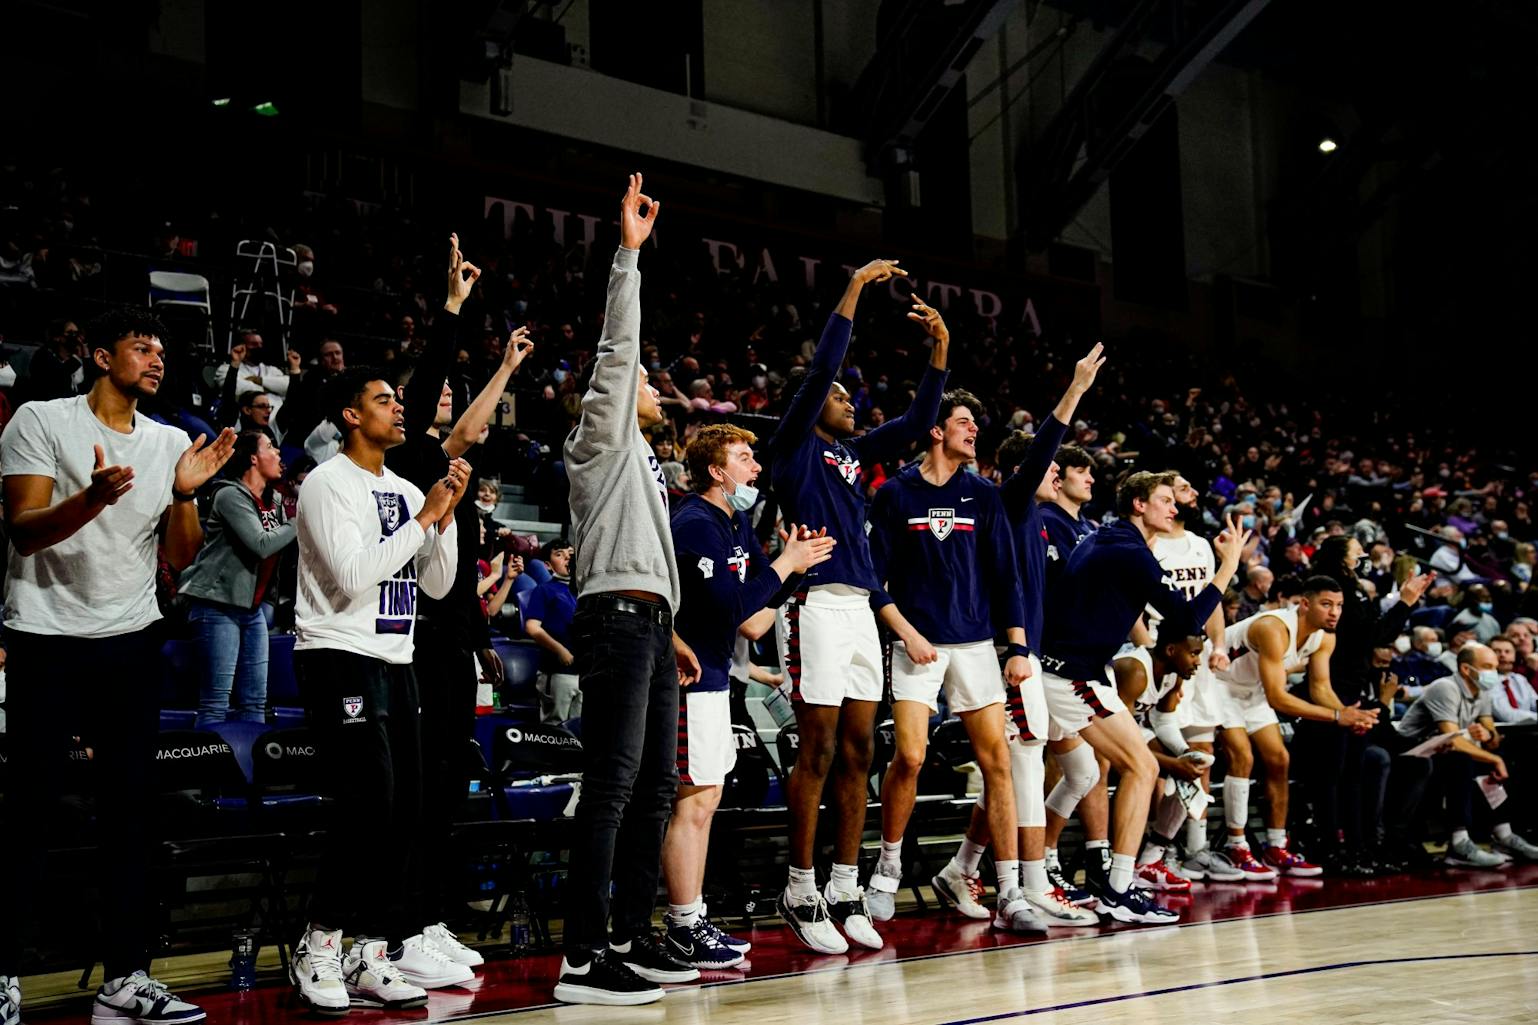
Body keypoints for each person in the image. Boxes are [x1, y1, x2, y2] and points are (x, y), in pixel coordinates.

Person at [1, 306, 235, 1025]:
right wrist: (93, 498)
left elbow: (179, 557)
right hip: (44, 635)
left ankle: (127, 975)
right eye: (142, 346)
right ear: (102, 357)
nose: (158, 358)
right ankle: (4, 971)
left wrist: (186, 493)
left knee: (131, 816)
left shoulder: (169, 442)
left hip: (131, 641)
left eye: (162, 349)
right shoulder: (41, 420)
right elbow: (24, 528)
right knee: (29, 815)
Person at [768, 257, 950, 955]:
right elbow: (820, 372)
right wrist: (851, 290)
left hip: (859, 613)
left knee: (858, 750)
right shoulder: (792, 449)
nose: (851, 403)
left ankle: (846, 883)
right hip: (813, 604)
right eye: (841, 398)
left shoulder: (851, 455)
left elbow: (919, 420)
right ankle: (799, 883)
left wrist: (940, 348)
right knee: (814, 749)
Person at [554, 175, 704, 1007]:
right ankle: (580, 956)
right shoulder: (603, 436)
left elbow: (650, 553)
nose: (651, 384)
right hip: (612, 618)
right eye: (644, 381)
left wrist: (674, 622)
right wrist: (628, 256)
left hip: (648, 618)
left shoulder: (642, 460)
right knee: (613, 786)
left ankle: (623, 933)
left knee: (652, 787)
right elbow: (619, 346)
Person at [286, 365, 469, 1014]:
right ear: (350, 415)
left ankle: (371, 949)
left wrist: (443, 518)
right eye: (383, 399)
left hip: (397, 657)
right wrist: (424, 516)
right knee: (367, 800)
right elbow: (355, 576)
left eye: (398, 399)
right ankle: (318, 942)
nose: (398, 408)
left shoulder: (401, 484)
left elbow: (438, 586)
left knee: (405, 808)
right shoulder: (327, 484)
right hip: (339, 654)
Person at [385, 234, 533, 962]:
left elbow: (471, 425)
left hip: (451, 643)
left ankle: (431, 918)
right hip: (409, 641)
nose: (444, 396)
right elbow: (438, 407)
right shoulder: (409, 459)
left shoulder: (455, 466)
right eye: (433, 389)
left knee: (448, 786)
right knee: (417, 791)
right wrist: (451, 307)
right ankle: (403, 925)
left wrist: (506, 367)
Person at [861, 389, 1054, 934]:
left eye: (976, 423)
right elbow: (873, 580)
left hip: (974, 645)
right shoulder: (895, 493)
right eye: (965, 423)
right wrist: (906, 632)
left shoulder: (984, 495)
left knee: (999, 763)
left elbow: (1005, 577)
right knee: (911, 758)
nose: (975, 431)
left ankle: (1010, 892)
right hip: (917, 642)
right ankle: (887, 873)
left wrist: (1017, 647)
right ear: (937, 431)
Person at [1037, 471, 1248, 923]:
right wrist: (1228, 565)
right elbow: (1187, 619)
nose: (1175, 509)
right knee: (1142, 765)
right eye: (1165, 500)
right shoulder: (1129, 551)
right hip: (1069, 675)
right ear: (1138, 504)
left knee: (1081, 773)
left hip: (1062, 668)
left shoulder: (1109, 540)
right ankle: (1118, 886)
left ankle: (1031, 867)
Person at [660, 424, 834, 968]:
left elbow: (756, 622)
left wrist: (789, 569)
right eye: (744, 458)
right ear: (716, 471)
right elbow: (726, 607)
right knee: (693, 801)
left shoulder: (733, 522)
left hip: (717, 678)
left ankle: (692, 919)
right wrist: (786, 565)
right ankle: (683, 924)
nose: (756, 467)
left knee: (705, 800)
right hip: (689, 680)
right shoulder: (693, 523)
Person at [941, 352, 1104, 917]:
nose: (1055, 476)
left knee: (1022, 768)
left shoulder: (1034, 521)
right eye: (1049, 470)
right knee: (1023, 765)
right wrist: (1074, 390)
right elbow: (1040, 453)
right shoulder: (1007, 508)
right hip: (1004, 655)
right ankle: (1028, 883)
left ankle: (969, 869)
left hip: (1026, 654)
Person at [1211, 576, 1379, 879]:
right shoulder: (1273, 628)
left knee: (1279, 760)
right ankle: (1237, 847)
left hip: (1254, 691)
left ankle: (1276, 846)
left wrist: (1347, 714)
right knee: (1243, 757)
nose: (1334, 612)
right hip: (1219, 685)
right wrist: (1336, 717)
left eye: (1339, 606)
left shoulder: (1325, 637)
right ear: (1304, 604)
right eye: (1326, 604)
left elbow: (1320, 689)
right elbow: (1278, 697)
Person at [1134, 475, 1234, 884]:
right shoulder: (1146, 544)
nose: (1189, 493)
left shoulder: (1200, 544)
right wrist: (1148, 647)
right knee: (1160, 767)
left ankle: (1194, 848)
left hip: (1193, 660)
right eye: (1179, 487)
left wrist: (1220, 644)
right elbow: (1135, 606)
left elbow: (1213, 600)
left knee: (1200, 754)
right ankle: (1158, 853)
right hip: (1159, 655)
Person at [178, 431, 297, 727]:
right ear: (253, 458)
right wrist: (299, 522)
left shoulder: (277, 501)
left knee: (256, 701)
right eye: (270, 447)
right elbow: (261, 544)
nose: (279, 453)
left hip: (252, 608)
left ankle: (254, 770)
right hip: (216, 605)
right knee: (216, 703)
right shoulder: (229, 495)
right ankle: (210, 771)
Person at [1388, 644, 1538, 866]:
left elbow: (1492, 736)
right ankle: (1459, 843)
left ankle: (1504, 835)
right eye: (1487, 667)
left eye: (1495, 667)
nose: (1493, 673)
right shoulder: (1445, 687)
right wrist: (1493, 757)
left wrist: (1487, 735)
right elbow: (1452, 738)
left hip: (1441, 753)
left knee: (1499, 754)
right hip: (1409, 754)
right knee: (1463, 759)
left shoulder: (1482, 691)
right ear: (1466, 669)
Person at [1108, 616, 1211, 890]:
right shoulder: (1134, 670)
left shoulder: (1175, 672)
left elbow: (1163, 721)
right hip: (1098, 727)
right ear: (1170, 650)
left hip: (1131, 729)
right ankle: (1115, 863)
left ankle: (1150, 862)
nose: (1198, 661)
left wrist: (1184, 753)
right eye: (1194, 654)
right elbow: (1122, 737)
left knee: (1191, 768)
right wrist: (1172, 763)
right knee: (1151, 769)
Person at [524, 538, 581, 723]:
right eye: (559, 555)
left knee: (580, 730)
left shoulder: (585, 591)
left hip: (584, 672)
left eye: (570, 554)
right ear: (548, 565)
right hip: (558, 672)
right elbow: (532, 627)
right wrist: (560, 650)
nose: (567, 558)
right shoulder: (545, 590)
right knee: (555, 729)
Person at [1488, 635, 1537, 723]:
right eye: (1497, 651)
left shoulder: (1520, 679)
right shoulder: (1486, 680)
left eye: (1507, 652)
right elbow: (1508, 715)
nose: (1503, 655)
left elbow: (1535, 704)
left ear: (1514, 656)